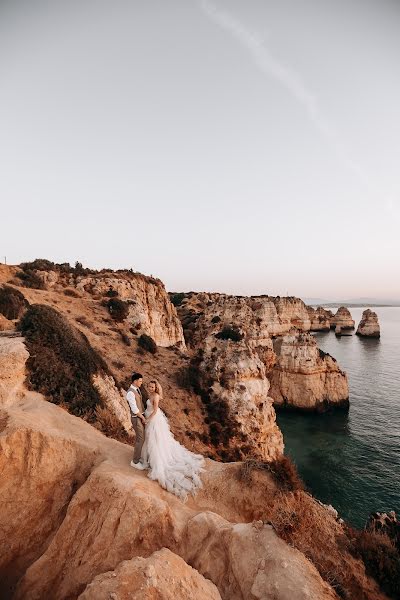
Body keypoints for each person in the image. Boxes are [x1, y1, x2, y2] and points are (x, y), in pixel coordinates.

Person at [140, 379, 205, 500]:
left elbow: (155, 410)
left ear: (156, 388)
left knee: (156, 440)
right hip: (149, 416)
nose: (150, 388)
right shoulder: (151, 395)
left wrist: (148, 419)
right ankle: (149, 459)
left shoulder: (156, 396)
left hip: (154, 419)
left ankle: (157, 462)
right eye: (149, 386)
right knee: (150, 440)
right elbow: (150, 409)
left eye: (152, 387)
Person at [126, 372, 146, 470]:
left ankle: (139, 457)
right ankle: (135, 461)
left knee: (142, 438)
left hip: (140, 417)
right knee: (140, 439)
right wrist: (142, 418)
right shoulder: (130, 392)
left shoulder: (137, 389)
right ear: (135, 381)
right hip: (136, 418)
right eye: (140, 381)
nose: (141, 383)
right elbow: (134, 409)